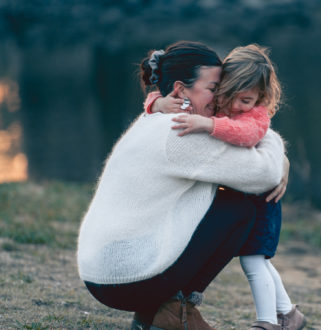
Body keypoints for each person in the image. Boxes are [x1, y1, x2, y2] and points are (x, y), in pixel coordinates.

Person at [76, 41, 289, 330]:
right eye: (214, 90)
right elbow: (265, 174)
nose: (220, 100)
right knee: (239, 211)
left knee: (218, 201)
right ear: (179, 90)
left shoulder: (151, 119)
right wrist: (275, 144)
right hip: (126, 279)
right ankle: (177, 309)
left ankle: (154, 313)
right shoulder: (181, 132)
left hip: (101, 274)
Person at [146, 44, 306, 330]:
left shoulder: (255, 116)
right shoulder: (220, 105)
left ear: (262, 97)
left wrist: (208, 126)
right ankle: (288, 314)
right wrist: (156, 105)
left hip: (261, 201)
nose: (234, 106)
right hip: (242, 198)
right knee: (260, 262)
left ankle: (267, 322)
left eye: (245, 100)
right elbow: (162, 95)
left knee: (254, 263)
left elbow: (246, 135)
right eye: (228, 95)